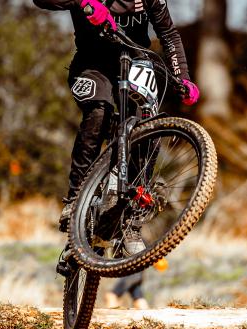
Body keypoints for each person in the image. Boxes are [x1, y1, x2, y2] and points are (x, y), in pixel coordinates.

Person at [32, 0, 199, 275]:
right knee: (98, 112)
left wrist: (184, 77)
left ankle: (131, 221)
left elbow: (168, 34)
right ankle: (75, 201)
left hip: (136, 61)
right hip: (92, 64)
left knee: (149, 126)